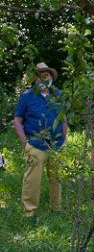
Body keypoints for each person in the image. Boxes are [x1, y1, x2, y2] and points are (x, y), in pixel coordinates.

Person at [13, 62, 67, 218]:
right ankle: (30, 212)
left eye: (47, 74)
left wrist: (63, 140)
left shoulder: (58, 95)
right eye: (40, 75)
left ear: (51, 77)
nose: (44, 78)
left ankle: (56, 208)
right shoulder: (27, 96)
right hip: (35, 144)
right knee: (32, 181)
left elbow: (63, 120)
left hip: (56, 144)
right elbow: (17, 120)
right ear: (35, 79)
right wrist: (25, 143)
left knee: (56, 178)